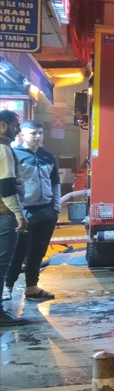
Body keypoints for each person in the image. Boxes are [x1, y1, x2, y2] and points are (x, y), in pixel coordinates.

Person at [6, 120, 61, 300]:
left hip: (45, 211)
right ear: (22, 134)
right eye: (33, 133)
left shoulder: (47, 156)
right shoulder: (14, 155)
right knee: (17, 252)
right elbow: (9, 184)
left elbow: (55, 183)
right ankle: (7, 287)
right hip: (24, 212)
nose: (37, 136)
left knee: (38, 251)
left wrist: (56, 208)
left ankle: (31, 287)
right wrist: (16, 211)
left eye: (40, 133)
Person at [0, 110, 29, 327]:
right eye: (14, 125)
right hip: (4, 214)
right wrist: (19, 215)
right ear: (3, 125)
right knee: (2, 264)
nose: (17, 129)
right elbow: (7, 186)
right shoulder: (3, 150)